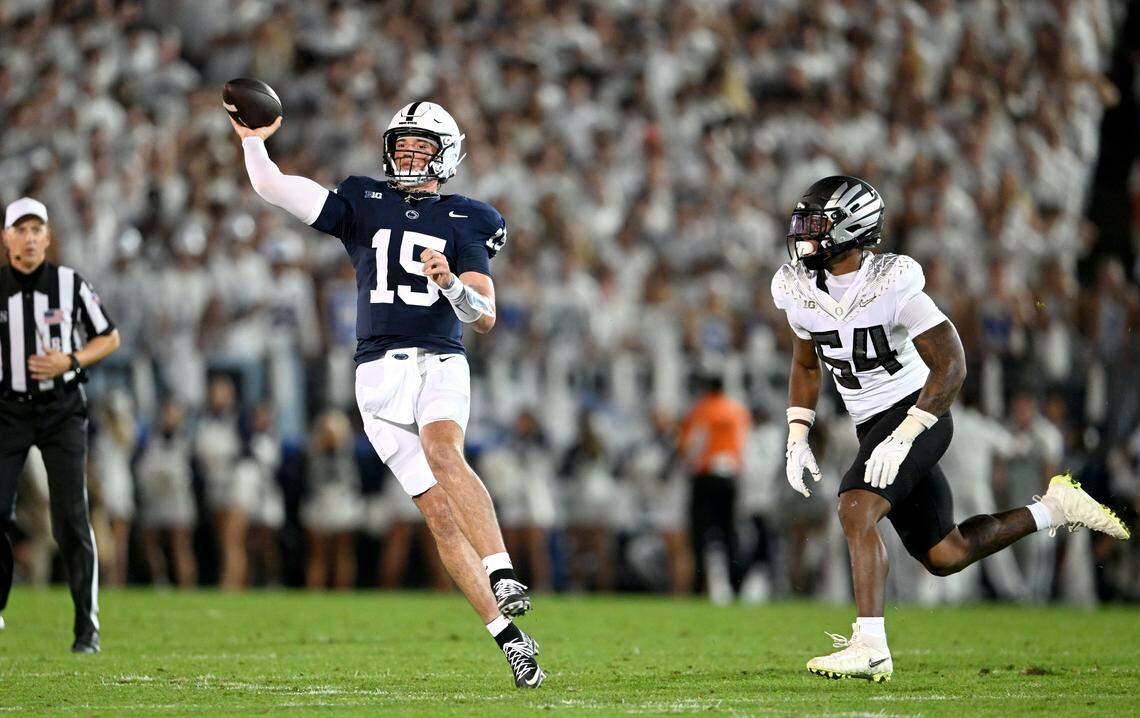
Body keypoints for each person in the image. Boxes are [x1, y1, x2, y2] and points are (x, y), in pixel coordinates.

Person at [230, 101, 543, 687]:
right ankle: (510, 640)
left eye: (423, 146)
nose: (409, 154)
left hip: (440, 361)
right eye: (403, 144)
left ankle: (502, 571)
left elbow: (485, 316)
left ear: (447, 154)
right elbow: (273, 186)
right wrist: (252, 141)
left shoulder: (471, 217)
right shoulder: (362, 200)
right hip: (375, 373)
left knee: (444, 449)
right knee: (442, 521)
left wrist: (449, 282)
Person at [771, 176, 1130, 683]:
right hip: (870, 422)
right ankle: (1054, 508)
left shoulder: (891, 281)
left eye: (816, 224)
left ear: (852, 227)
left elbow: (952, 365)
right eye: (802, 222)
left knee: (856, 507)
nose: (803, 234)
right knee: (946, 554)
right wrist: (797, 434)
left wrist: (908, 431)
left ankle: (870, 645)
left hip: (918, 411)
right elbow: (806, 365)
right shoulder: (796, 287)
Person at [0, 197, 122, 652]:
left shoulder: (69, 284)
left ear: (48, 237)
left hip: (61, 409)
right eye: (21, 229)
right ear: (6, 237)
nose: (30, 238)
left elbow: (109, 337)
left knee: (70, 517)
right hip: (8, 410)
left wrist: (69, 360)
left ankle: (85, 628)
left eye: (37, 230)